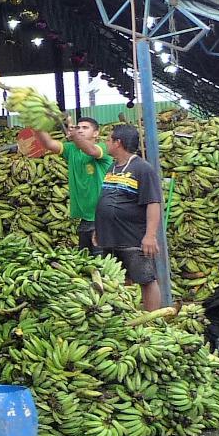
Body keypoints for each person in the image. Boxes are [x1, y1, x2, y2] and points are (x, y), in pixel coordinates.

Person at [94, 123, 164, 311]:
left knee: (146, 279)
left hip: (132, 237)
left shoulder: (142, 168)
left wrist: (150, 235)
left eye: (108, 139)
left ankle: (153, 321)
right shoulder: (112, 167)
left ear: (118, 143)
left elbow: (153, 203)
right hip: (110, 237)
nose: (105, 143)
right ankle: (127, 316)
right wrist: (98, 229)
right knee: (118, 279)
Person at [36, 117, 110, 251]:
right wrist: (37, 123)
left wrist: (74, 134)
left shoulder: (103, 148)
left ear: (96, 133)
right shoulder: (71, 150)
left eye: (85, 128)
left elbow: (91, 151)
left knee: (103, 264)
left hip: (103, 218)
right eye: (78, 127)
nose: (80, 130)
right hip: (86, 219)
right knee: (86, 260)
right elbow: (48, 143)